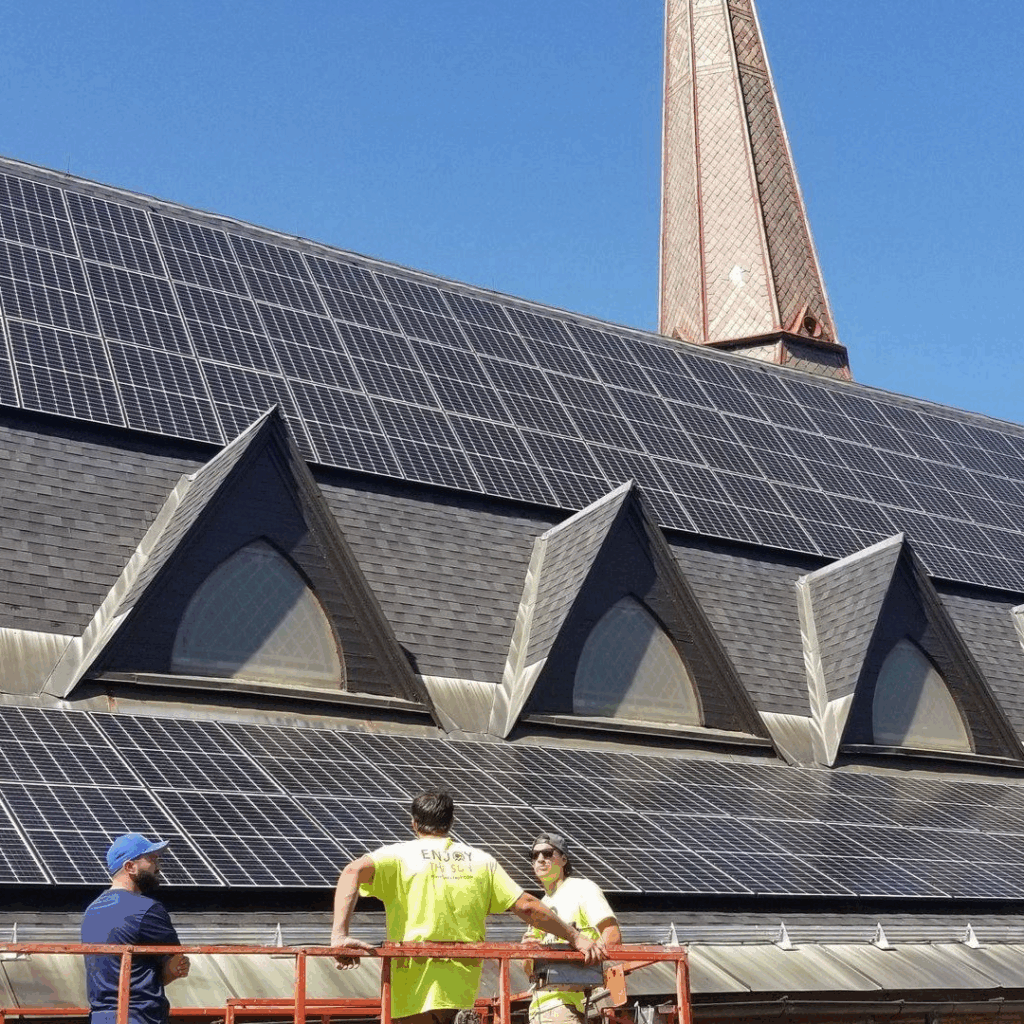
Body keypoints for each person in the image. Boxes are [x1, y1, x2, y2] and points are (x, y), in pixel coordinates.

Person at [331, 790, 606, 1024]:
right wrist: (576, 937)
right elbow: (527, 906)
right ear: (450, 822)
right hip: (461, 996)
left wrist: (339, 936)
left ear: (414, 823)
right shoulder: (481, 861)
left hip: (408, 995)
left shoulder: (397, 856)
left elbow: (352, 871)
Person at [81, 833, 191, 1024]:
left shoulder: (91, 911)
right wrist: (174, 968)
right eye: (151, 859)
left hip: (100, 1017)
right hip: (140, 1017)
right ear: (129, 867)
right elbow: (176, 964)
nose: (158, 866)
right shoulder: (147, 909)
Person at [523, 832, 621, 1024]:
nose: (540, 859)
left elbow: (612, 936)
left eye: (548, 853)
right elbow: (529, 971)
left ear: (564, 859)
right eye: (534, 856)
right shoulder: (539, 906)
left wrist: (582, 958)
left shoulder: (582, 889)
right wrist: (528, 953)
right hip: (538, 1009)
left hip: (567, 1006)